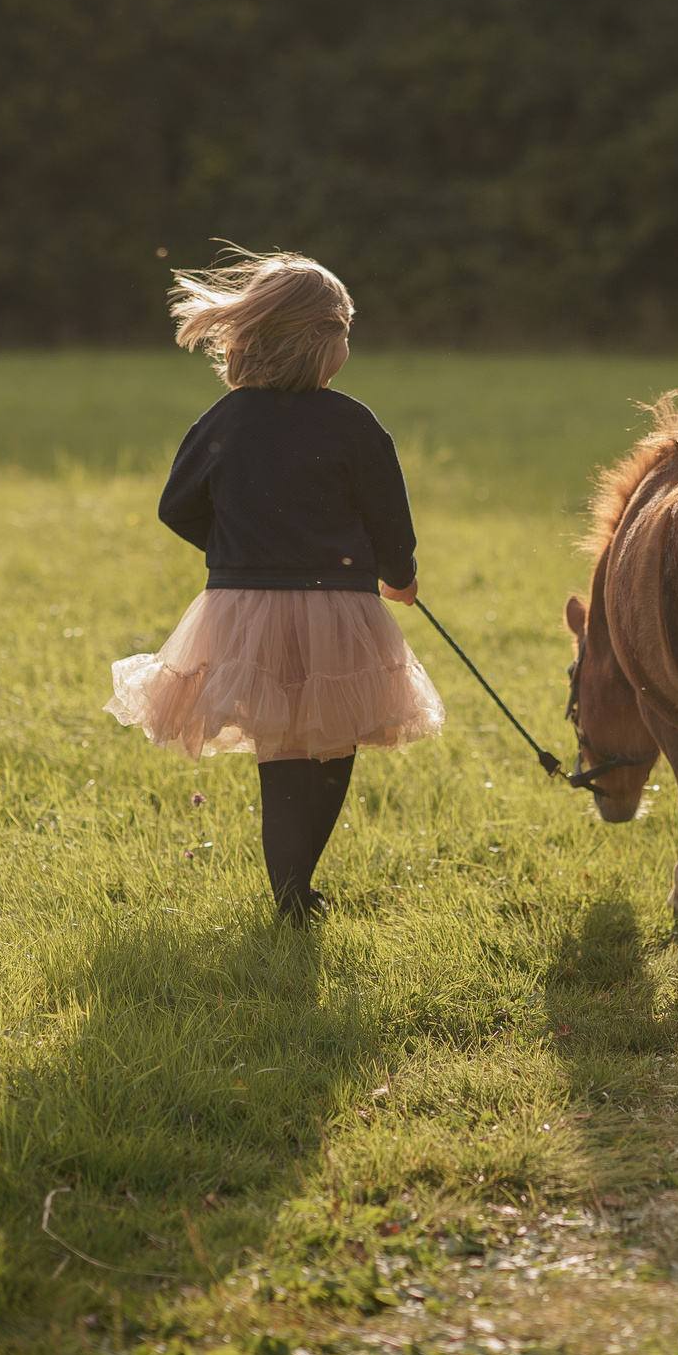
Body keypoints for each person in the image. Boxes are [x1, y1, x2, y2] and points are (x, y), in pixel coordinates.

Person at [104, 249, 443, 922]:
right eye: (344, 330)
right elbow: (389, 520)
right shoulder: (352, 422)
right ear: (321, 342)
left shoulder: (226, 419)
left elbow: (177, 506)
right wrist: (400, 577)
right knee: (335, 738)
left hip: (245, 608)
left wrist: (241, 553)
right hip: (338, 608)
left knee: (280, 748)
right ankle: (297, 891)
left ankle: (293, 895)